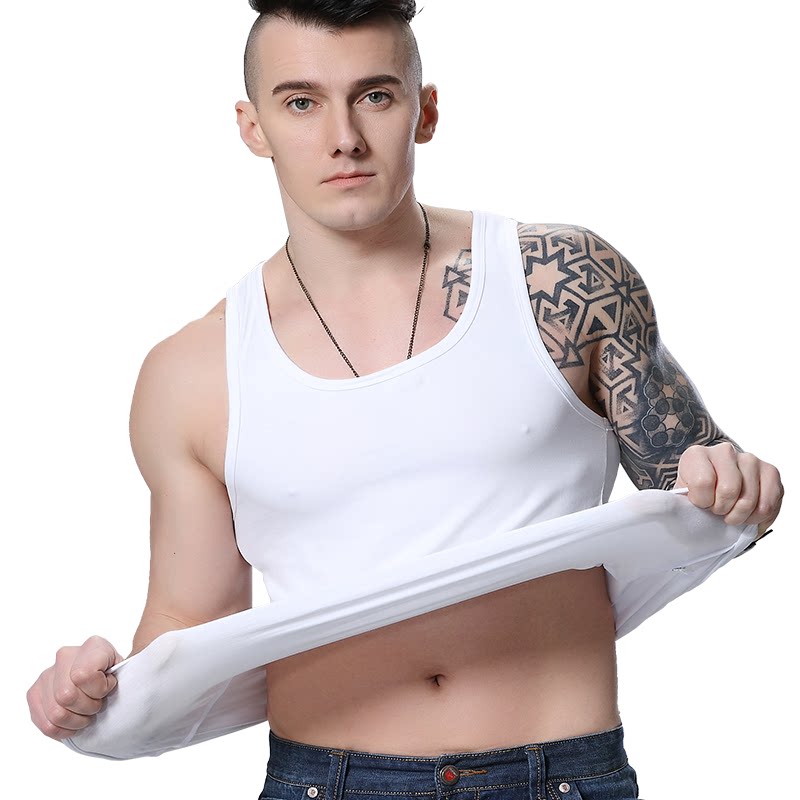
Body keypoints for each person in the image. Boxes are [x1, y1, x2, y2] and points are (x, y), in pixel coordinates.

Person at [26, 1, 783, 798]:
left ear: (425, 111)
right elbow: (190, 630)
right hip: (327, 780)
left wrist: (738, 485)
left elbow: (702, 495)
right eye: (301, 102)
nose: (344, 137)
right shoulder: (193, 372)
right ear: (253, 128)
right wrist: (92, 690)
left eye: (375, 96)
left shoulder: (561, 283)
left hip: (556, 771)